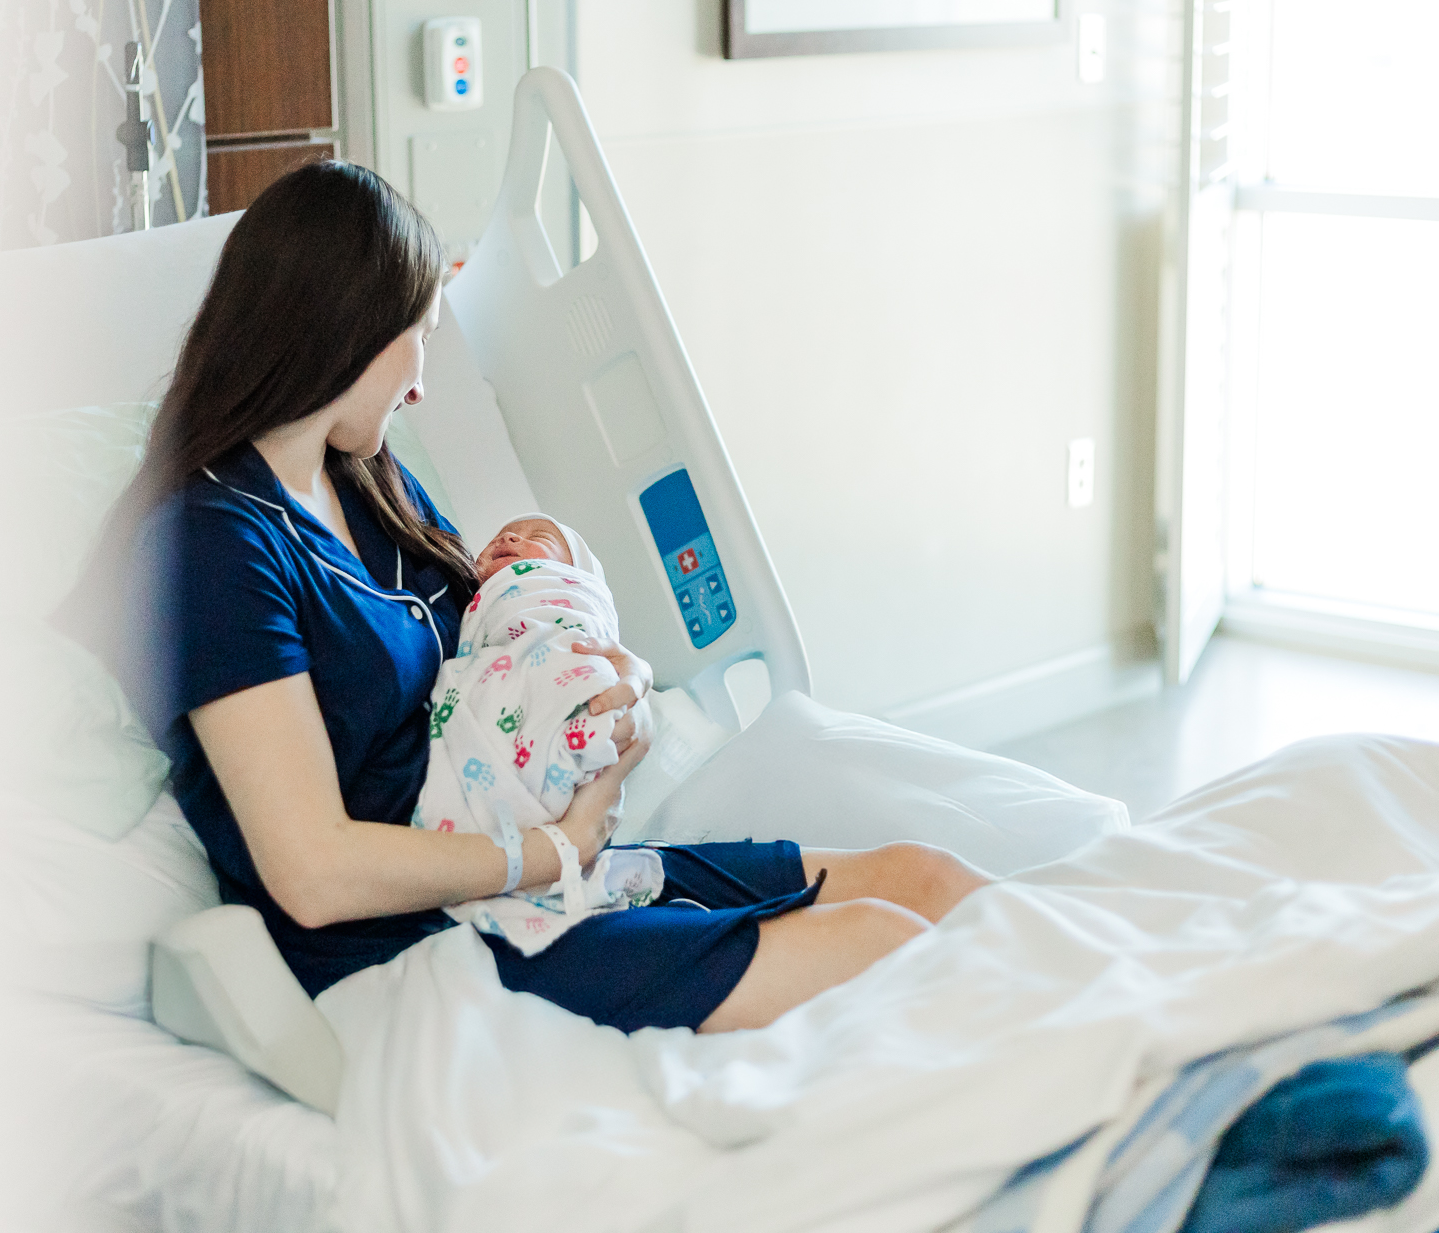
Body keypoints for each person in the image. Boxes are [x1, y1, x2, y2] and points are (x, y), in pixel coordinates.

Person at [64, 160, 990, 1035]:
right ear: (346, 328)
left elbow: (506, 630)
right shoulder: (210, 546)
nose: (422, 378)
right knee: (887, 948)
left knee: (927, 880)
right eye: (416, 335)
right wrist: (551, 850)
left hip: (532, 872)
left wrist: (612, 677)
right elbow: (311, 872)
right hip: (415, 935)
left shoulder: (364, 477)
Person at [414, 514, 665, 957]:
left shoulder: (568, 594)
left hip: (569, 664)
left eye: (540, 538)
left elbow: (579, 632)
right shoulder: (460, 599)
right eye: (501, 535)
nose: (510, 537)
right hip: (499, 674)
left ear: (575, 574)